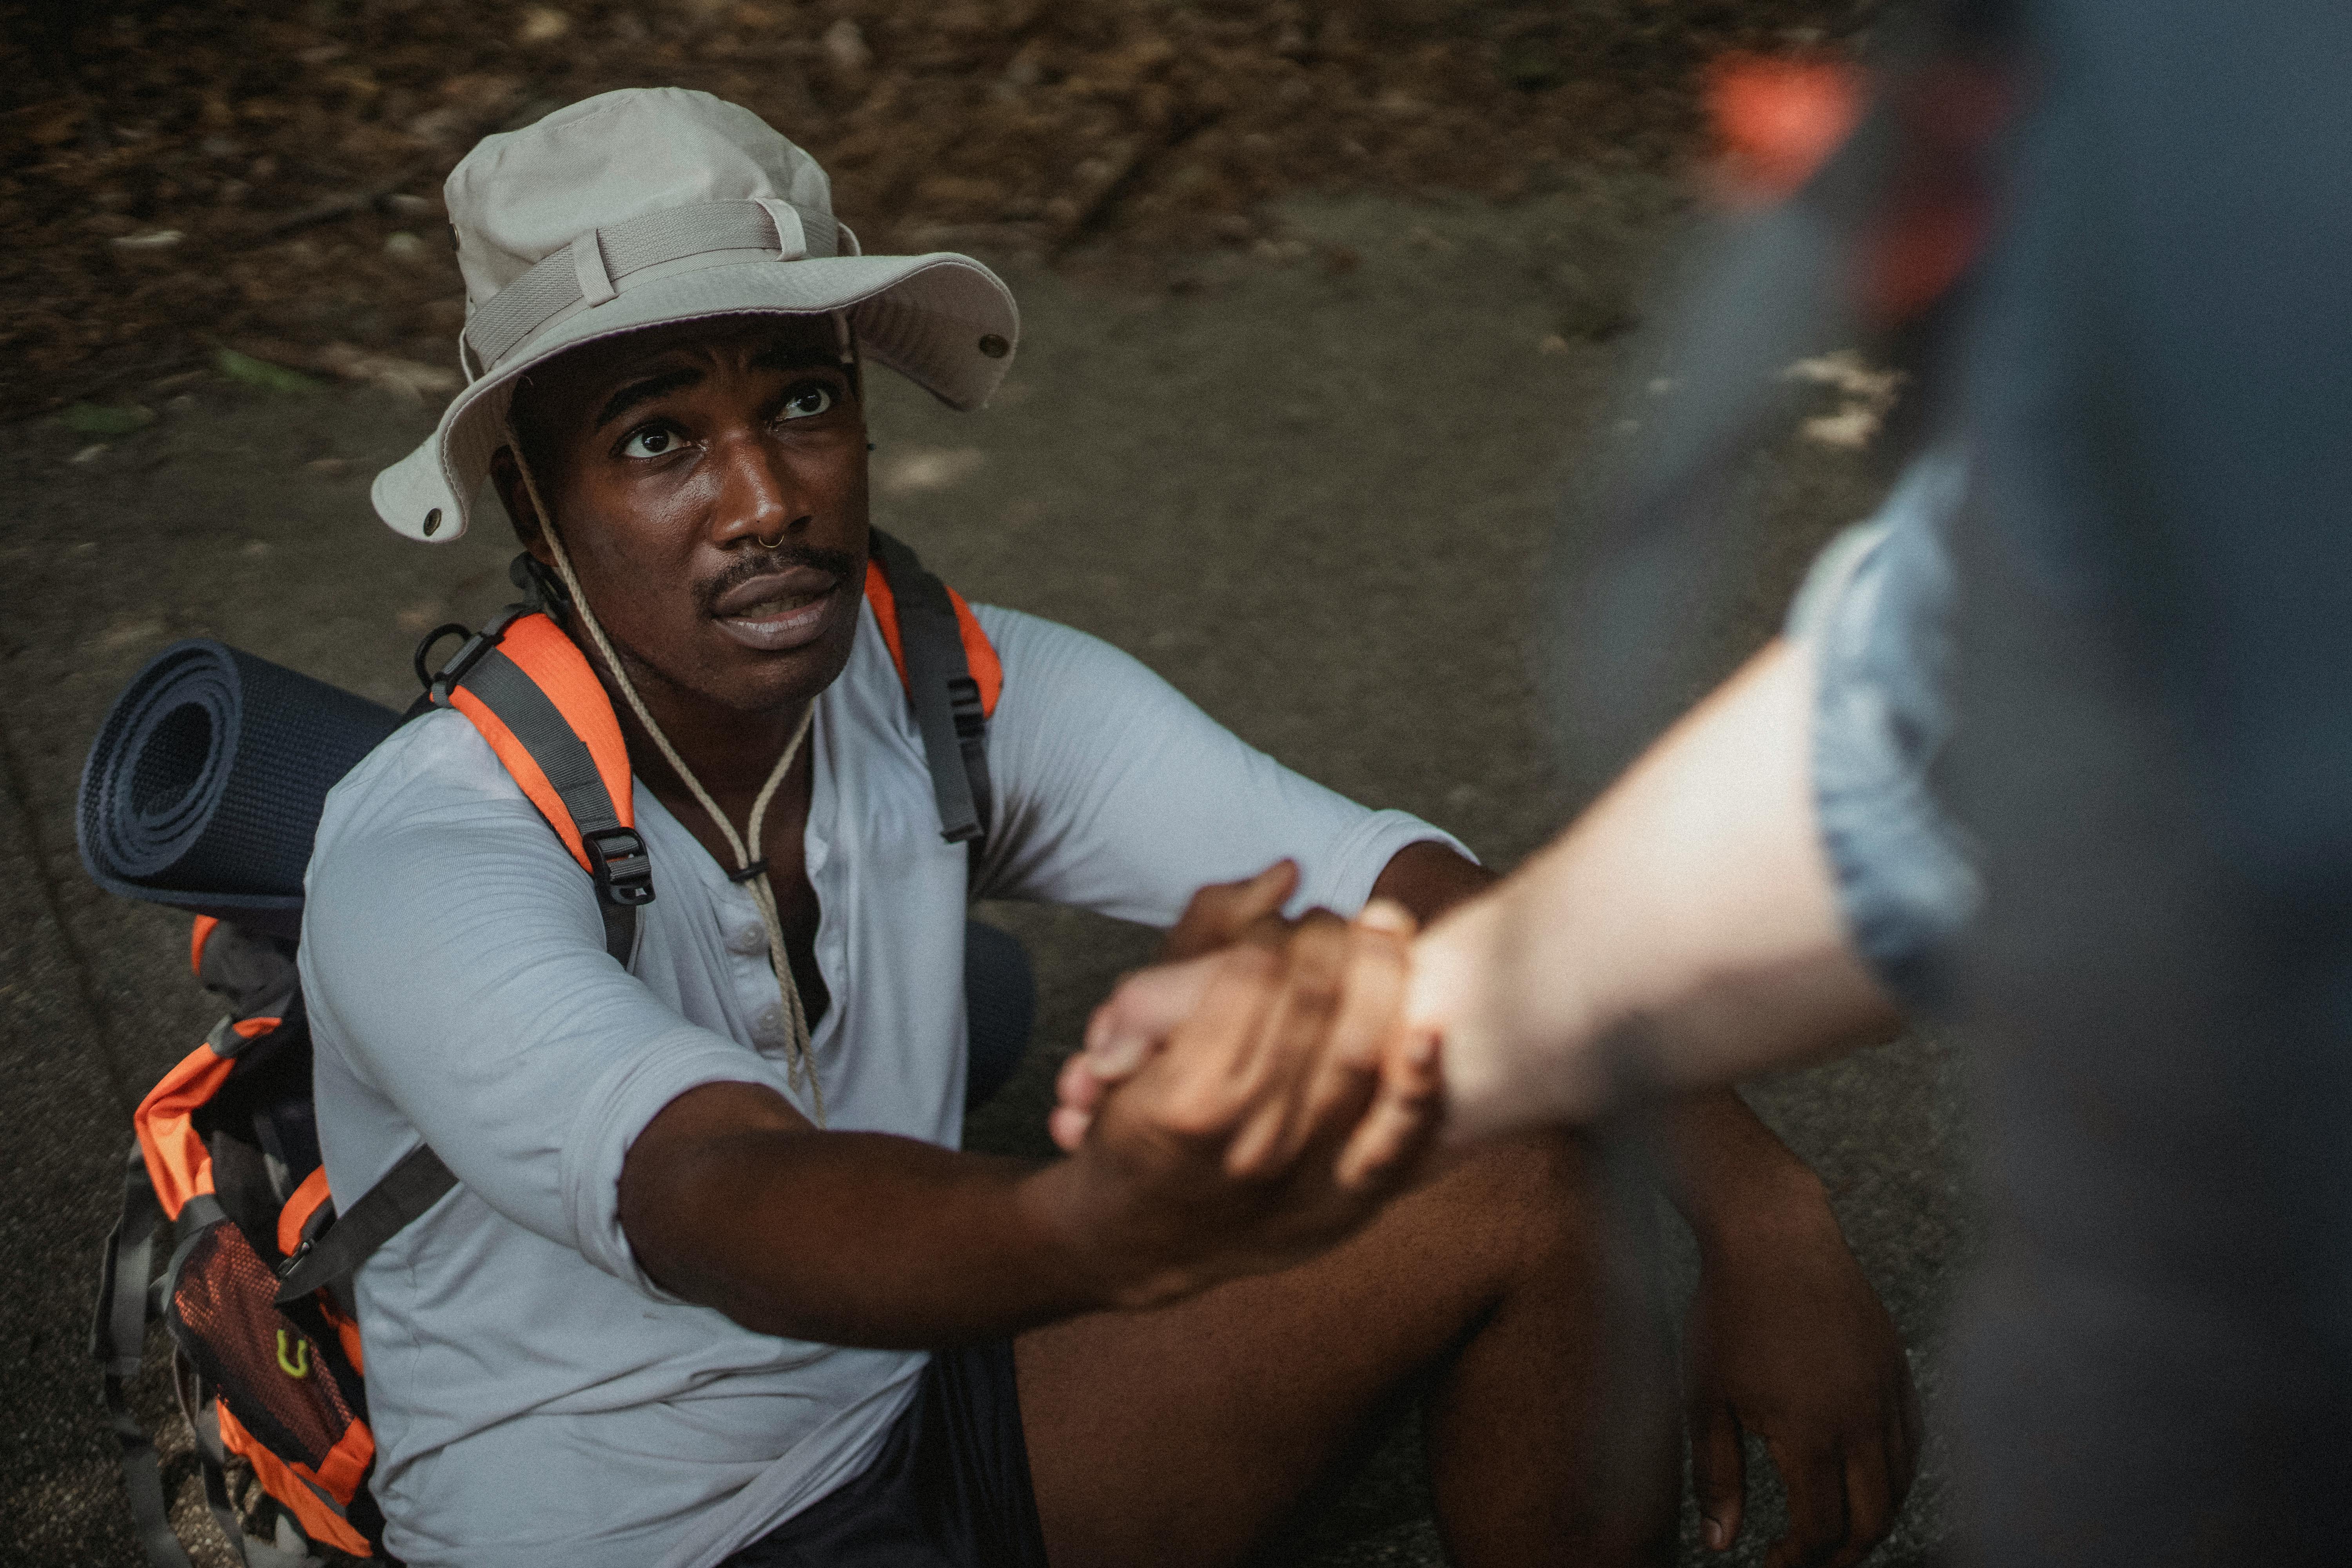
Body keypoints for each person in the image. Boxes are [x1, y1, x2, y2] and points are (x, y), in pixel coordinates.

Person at [312, 86, 1914, 1568]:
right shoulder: (428, 850)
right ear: (534, 502)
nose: (763, 500)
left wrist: (1765, 1206)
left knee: (1525, 1166)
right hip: (639, 1528)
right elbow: (712, 1195)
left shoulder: (939, 681)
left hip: (913, 1408)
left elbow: (1388, 883)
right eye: (657, 439)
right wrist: (1099, 1227)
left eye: (802, 400)